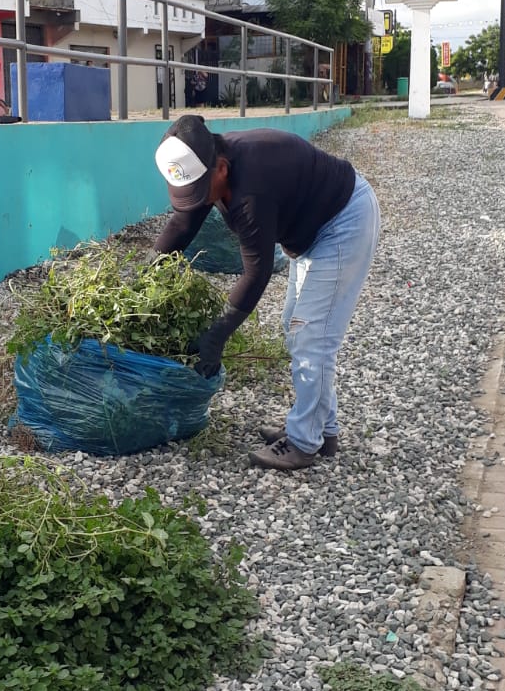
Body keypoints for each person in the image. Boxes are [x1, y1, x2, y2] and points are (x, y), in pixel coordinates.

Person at [153, 114, 380, 473]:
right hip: (310, 231)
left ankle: (303, 442)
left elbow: (257, 273)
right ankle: (322, 429)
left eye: (199, 190)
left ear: (221, 168)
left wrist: (217, 335)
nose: (198, 200)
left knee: (312, 334)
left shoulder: (251, 189)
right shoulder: (208, 160)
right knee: (295, 325)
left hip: (342, 222)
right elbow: (183, 222)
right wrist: (147, 274)